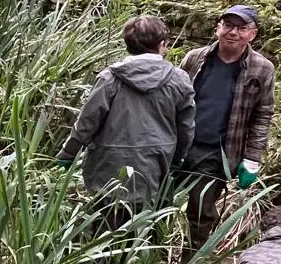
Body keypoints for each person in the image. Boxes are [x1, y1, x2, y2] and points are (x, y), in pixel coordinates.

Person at [57, 15, 195, 222]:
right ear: (162, 44)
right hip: (155, 166)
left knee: (106, 226)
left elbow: (87, 122)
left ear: (127, 44)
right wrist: (177, 159)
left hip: (108, 168)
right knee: (145, 228)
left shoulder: (109, 78)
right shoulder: (179, 79)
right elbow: (186, 127)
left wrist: (67, 154)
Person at [176, 7, 276, 246]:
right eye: (228, 25)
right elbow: (173, 98)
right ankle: (146, 256)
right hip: (179, 145)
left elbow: (262, 115)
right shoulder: (195, 58)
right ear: (217, 28)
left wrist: (252, 159)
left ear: (252, 34)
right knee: (157, 201)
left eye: (242, 28)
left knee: (201, 212)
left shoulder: (262, 68)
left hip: (217, 152)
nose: (233, 32)